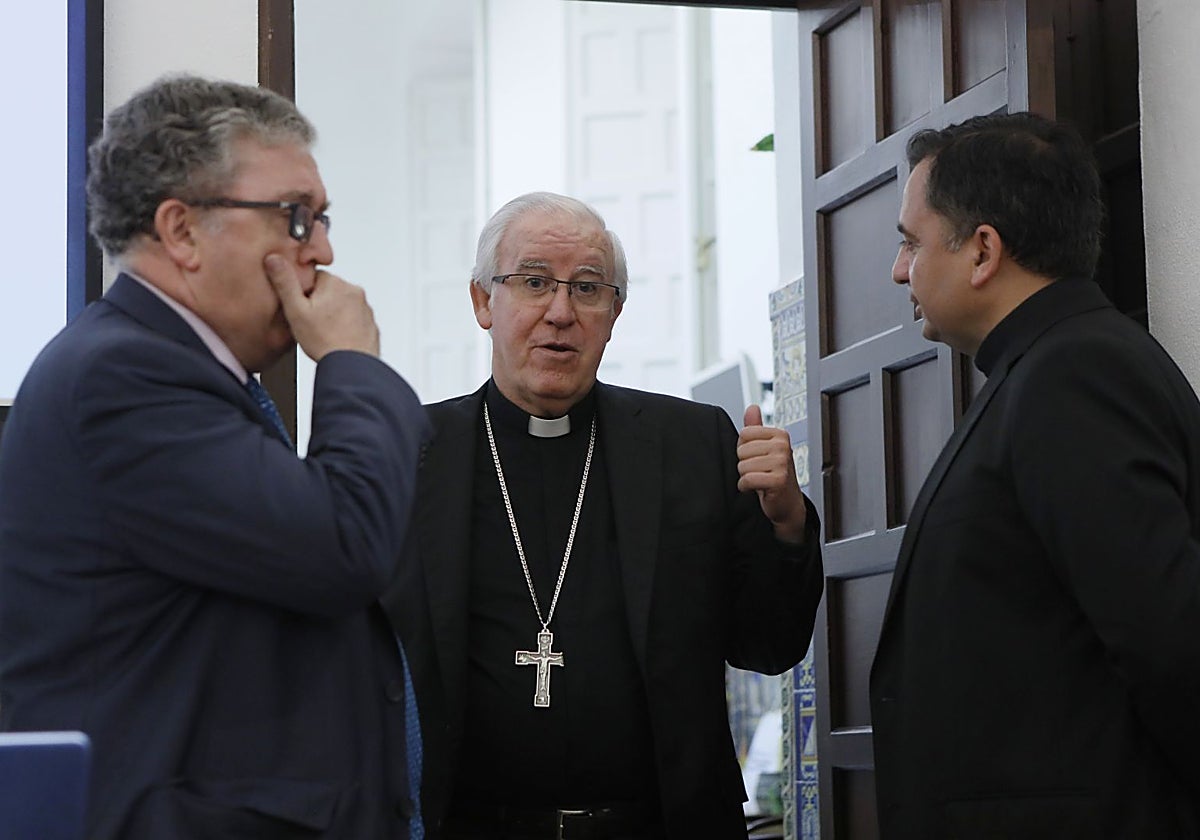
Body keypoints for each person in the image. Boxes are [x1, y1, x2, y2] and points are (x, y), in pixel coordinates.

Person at [0, 75, 430, 839]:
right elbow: (343, 545)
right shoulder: (123, 376)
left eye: (323, 218)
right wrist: (355, 367)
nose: (323, 251)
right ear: (182, 231)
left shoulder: (176, 370)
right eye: (295, 219)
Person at [382, 191, 824, 840]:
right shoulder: (409, 457)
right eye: (533, 282)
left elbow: (769, 645)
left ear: (615, 312)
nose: (560, 312)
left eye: (588, 289)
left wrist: (786, 523)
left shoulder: (692, 445)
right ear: (483, 302)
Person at [870, 112, 1200, 837]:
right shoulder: (1043, 366)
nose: (900, 270)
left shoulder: (1075, 373)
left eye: (910, 242)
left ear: (983, 249)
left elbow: (1168, 642)